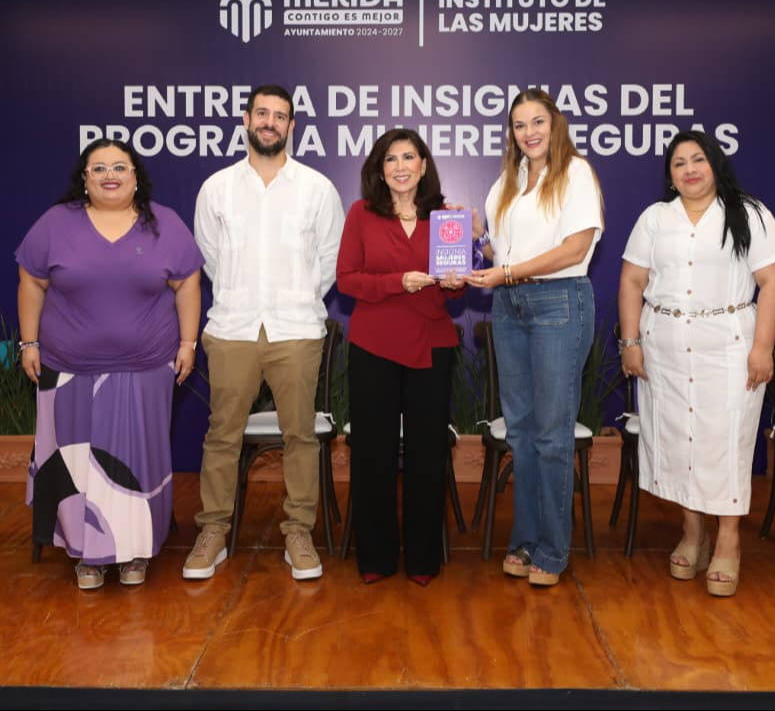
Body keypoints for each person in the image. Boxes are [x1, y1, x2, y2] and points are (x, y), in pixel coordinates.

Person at [17, 138, 203, 590]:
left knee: (134, 463)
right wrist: (28, 342)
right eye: (98, 168)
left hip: (146, 368)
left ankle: (135, 551)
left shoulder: (166, 225)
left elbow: (188, 283)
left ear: (136, 176)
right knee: (78, 464)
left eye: (119, 166)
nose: (109, 175)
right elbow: (31, 282)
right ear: (84, 179)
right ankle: (87, 556)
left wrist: (188, 342)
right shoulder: (55, 224)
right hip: (67, 369)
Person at [618, 130, 775, 598]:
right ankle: (693, 534)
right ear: (670, 176)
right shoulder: (656, 218)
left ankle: (729, 541)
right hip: (664, 346)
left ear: (715, 164)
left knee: (724, 440)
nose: (690, 169)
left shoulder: (749, 213)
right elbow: (632, 281)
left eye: (699, 159)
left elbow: (774, 281)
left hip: (730, 344)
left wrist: (763, 347)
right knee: (679, 439)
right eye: (679, 163)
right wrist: (629, 342)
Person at [186, 84, 345, 582]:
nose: (270, 122)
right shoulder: (217, 188)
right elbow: (208, 256)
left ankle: (298, 531)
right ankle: (213, 531)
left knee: (300, 435)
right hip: (232, 327)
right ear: (246, 120)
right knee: (221, 436)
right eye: (262, 114)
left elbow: (330, 260)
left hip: (296, 328)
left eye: (280, 116)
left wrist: (297, 296)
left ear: (292, 126)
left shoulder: (317, 188)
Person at [466, 88, 604, 587]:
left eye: (538, 121)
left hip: (558, 301)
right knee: (520, 433)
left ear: (555, 124)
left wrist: (508, 272)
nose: (530, 132)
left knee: (550, 434)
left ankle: (552, 548)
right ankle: (525, 540)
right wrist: (479, 238)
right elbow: (500, 252)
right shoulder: (508, 182)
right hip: (510, 306)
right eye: (520, 125)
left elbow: (574, 249)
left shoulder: (576, 173)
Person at [336, 129, 465, 586]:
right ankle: (376, 556)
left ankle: (425, 558)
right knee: (374, 453)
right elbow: (346, 280)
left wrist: (455, 283)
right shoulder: (361, 214)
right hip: (374, 346)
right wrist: (397, 282)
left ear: (424, 165)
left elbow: (457, 289)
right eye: (391, 159)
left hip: (431, 344)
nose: (401, 166)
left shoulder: (447, 219)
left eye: (409, 156)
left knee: (428, 456)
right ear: (379, 168)